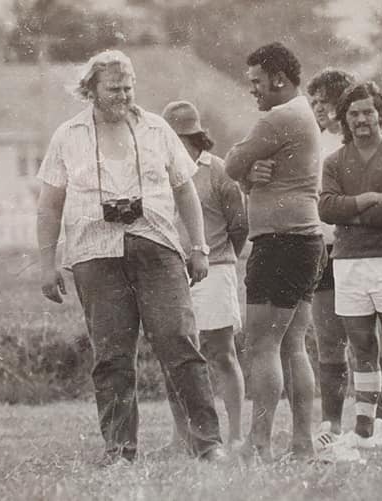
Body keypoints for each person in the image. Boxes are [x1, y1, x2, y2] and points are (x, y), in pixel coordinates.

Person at [35, 50, 225, 466]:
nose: (123, 95)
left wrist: (199, 248)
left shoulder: (157, 129)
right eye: (113, 88)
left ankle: (208, 444)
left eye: (128, 87)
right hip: (95, 256)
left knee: (180, 342)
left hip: (157, 250)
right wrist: (47, 265)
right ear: (91, 89)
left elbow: (185, 191)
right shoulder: (67, 135)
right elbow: (49, 205)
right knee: (112, 356)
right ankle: (119, 451)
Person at [224, 42, 324, 461]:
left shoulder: (278, 117)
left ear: (279, 79)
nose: (253, 90)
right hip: (305, 241)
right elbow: (246, 174)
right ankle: (302, 444)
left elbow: (231, 164)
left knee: (262, 345)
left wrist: (245, 171)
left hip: (281, 242)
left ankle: (259, 443)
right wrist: (252, 176)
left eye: (257, 82)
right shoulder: (302, 114)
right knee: (292, 345)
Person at [319, 81, 382, 450]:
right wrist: (366, 200)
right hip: (348, 263)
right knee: (361, 347)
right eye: (354, 113)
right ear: (344, 119)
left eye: (368, 112)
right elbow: (325, 208)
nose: (361, 119)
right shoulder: (334, 161)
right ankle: (364, 430)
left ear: (381, 114)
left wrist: (349, 214)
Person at [306, 69, 382, 453]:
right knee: (328, 340)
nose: (317, 109)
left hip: (365, 250)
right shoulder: (310, 140)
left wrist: (345, 212)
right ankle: (331, 422)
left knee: (372, 342)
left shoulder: (379, 142)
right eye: (313, 103)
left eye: (324, 103)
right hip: (324, 249)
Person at [161, 101, 248, 451]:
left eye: (178, 139)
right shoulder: (159, 172)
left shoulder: (218, 171)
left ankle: (236, 434)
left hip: (214, 270)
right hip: (171, 273)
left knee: (222, 353)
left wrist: (217, 258)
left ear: (195, 138)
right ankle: (181, 436)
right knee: (178, 356)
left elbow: (239, 226)